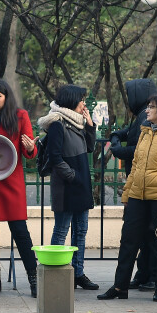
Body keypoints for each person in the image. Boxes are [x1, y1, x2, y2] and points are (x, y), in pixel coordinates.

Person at [98, 93, 157, 301]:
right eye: (148, 105)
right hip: (138, 197)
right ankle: (119, 287)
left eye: (151, 106)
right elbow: (137, 167)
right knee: (128, 241)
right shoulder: (145, 132)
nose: (147, 110)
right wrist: (127, 195)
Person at [0, 79, 38, 296]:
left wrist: (31, 147)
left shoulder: (20, 115)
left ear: (6, 96)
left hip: (11, 180)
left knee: (20, 231)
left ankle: (34, 278)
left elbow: (30, 151)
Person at [38, 84, 99, 291]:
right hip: (67, 186)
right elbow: (55, 158)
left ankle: (77, 273)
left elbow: (90, 147)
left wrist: (90, 125)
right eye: (81, 100)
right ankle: (55, 273)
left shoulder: (79, 123)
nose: (84, 104)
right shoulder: (58, 124)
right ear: (72, 101)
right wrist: (72, 176)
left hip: (80, 184)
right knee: (62, 230)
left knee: (80, 231)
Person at [108, 78, 156, 289]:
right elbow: (128, 133)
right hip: (137, 182)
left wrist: (117, 148)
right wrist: (118, 135)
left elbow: (137, 149)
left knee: (148, 235)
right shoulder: (141, 117)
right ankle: (142, 274)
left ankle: (151, 275)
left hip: (148, 186)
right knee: (141, 235)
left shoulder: (148, 117)